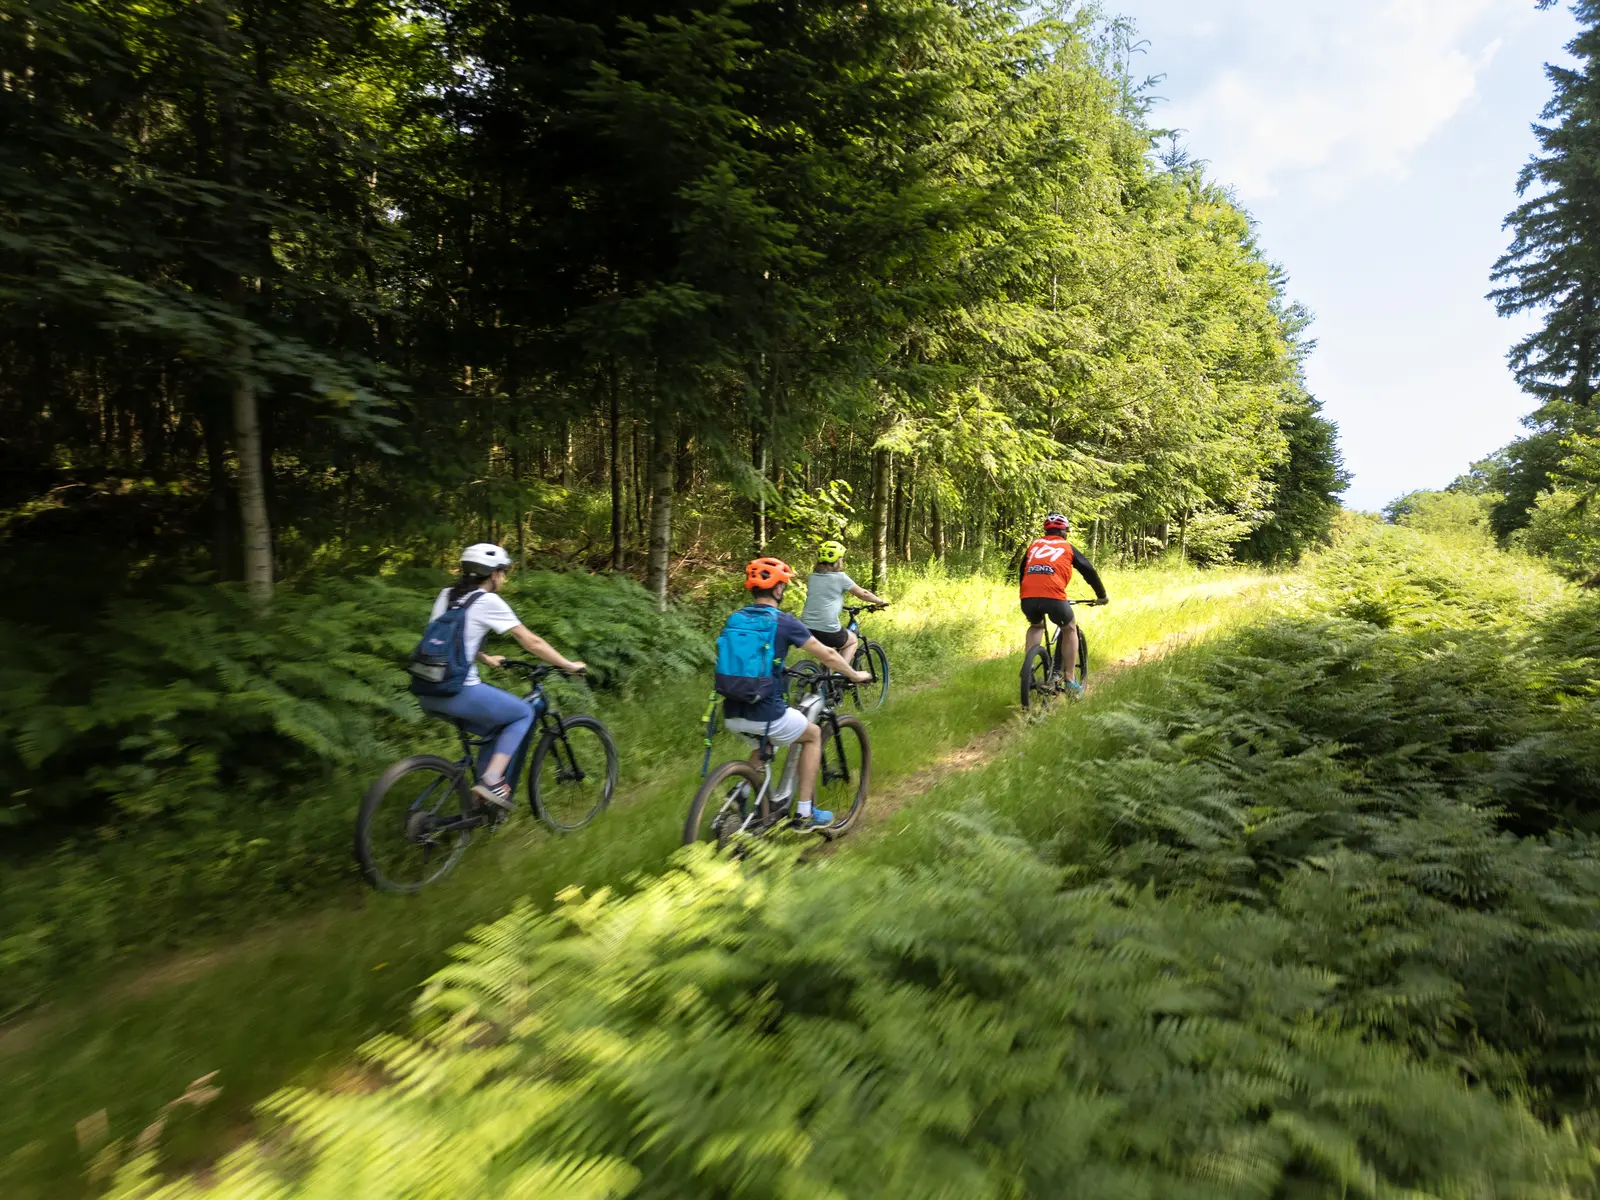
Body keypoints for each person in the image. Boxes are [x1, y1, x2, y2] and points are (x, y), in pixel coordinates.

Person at [417, 543, 586, 810]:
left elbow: (443, 640)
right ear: (493, 574)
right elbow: (532, 642)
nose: (504, 579)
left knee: (496, 729)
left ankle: (485, 806)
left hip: (427, 690)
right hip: (457, 691)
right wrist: (568, 665)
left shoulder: (447, 595)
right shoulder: (487, 601)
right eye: (503, 573)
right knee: (522, 714)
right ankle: (491, 779)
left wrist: (484, 657)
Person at [722, 557, 872, 827]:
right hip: (765, 712)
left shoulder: (737, 618)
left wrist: (780, 667)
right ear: (778, 588)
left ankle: (741, 793)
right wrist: (854, 674)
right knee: (812, 735)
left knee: (765, 744)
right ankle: (804, 813)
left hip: (732, 710)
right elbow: (828, 654)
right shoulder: (784, 622)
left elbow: (748, 658)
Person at [1020, 513, 1108, 696]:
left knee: (1036, 626)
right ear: (1065, 532)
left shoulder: (1034, 546)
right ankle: (1069, 679)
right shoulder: (1067, 547)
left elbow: (1022, 571)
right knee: (1069, 628)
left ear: (1046, 531)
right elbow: (1089, 571)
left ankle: (1028, 672)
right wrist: (1101, 596)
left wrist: (1028, 593)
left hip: (1027, 596)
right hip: (1054, 597)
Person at [800, 540, 888, 667]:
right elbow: (863, 594)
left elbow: (823, 596)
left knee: (829, 653)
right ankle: (840, 672)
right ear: (837, 561)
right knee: (852, 641)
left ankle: (825, 676)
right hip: (827, 629)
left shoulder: (812, 577)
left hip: (806, 628)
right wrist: (880, 601)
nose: (842, 562)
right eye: (841, 559)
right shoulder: (840, 577)